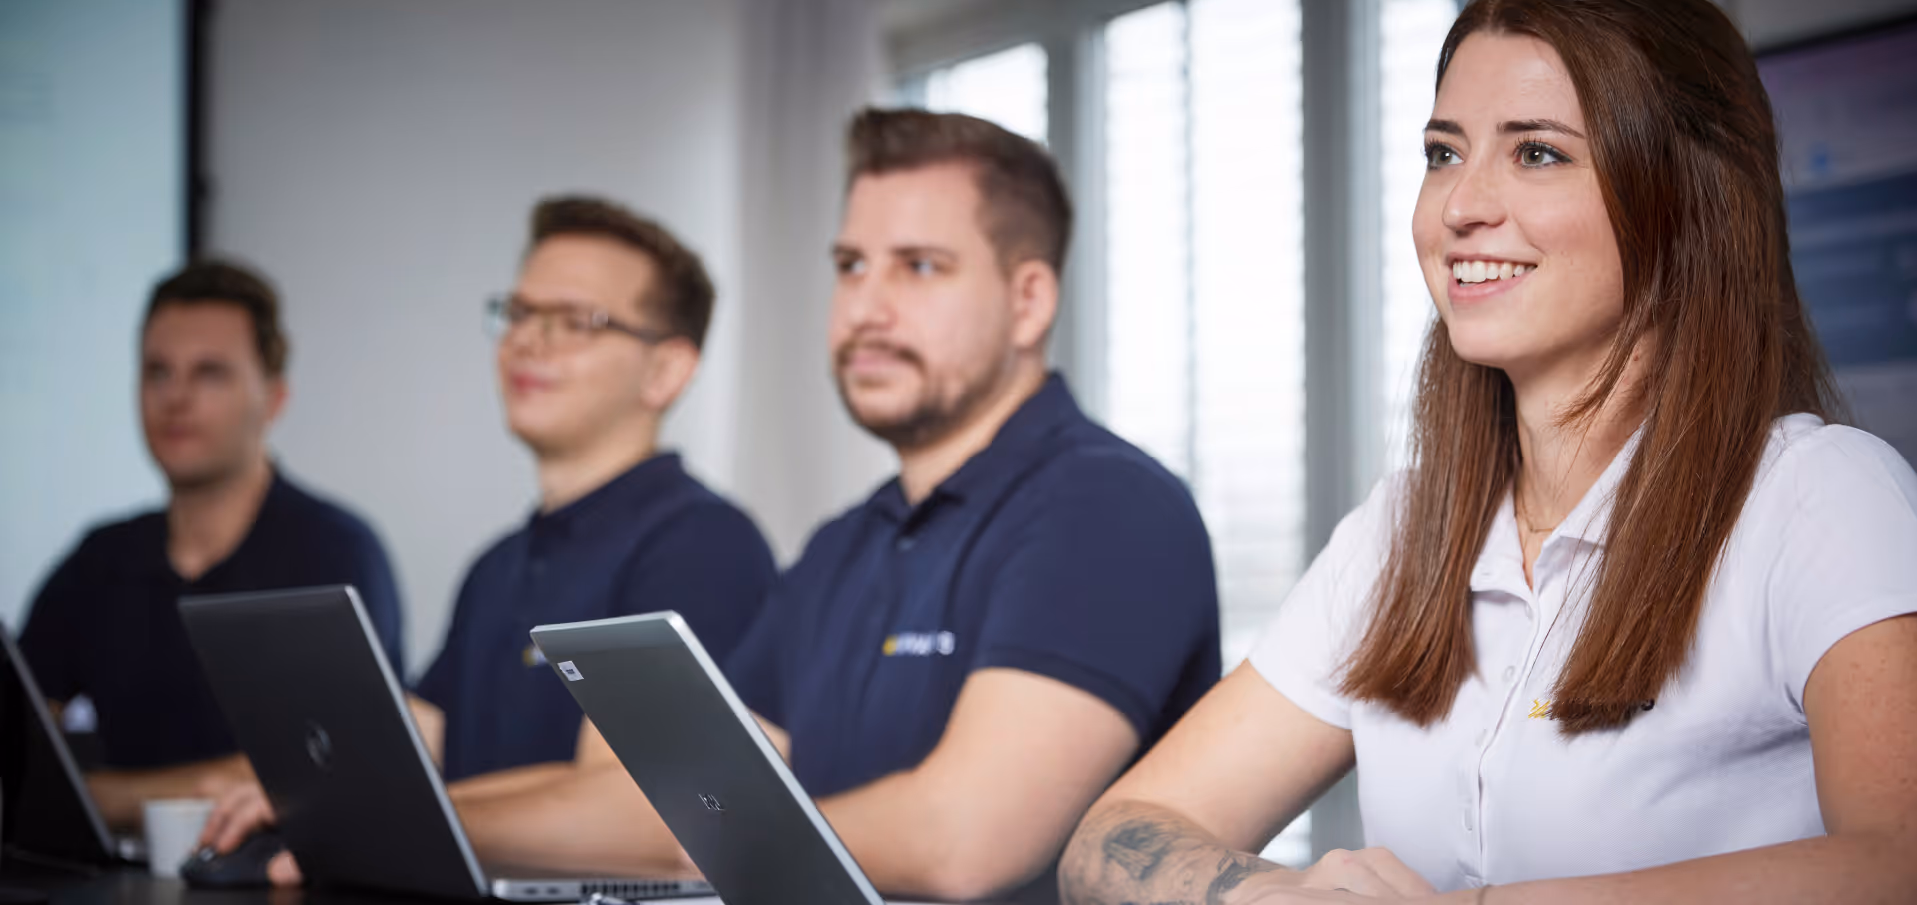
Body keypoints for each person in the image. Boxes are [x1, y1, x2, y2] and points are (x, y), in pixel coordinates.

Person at [1060, 0, 1917, 904]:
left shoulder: (1822, 497)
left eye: (1536, 152)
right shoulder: (1402, 532)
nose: (1460, 206)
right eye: (1443, 152)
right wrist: (1265, 895)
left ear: (1687, 201)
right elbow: (1114, 835)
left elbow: (1898, 862)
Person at [433, 109, 1223, 901]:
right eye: (851, 265)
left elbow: (964, 840)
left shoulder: (1109, 506)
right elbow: (674, 805)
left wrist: (716, 837)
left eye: (918, 267)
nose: (866, 307)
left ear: (1028, 301)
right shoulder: (841, 548)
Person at [199, 197, 780, 874]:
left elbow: (652, 811)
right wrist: (301, 799)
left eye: (575, 321)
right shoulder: (498, 566)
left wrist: (374, 820)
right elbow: (415, 739)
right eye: (521, 312)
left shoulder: (702, 545)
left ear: (667, 371)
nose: (527, 340)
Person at [20, 259, 406, 828]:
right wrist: (197, 787)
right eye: (157, 372)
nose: (175, 398)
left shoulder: (336, 553)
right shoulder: (99, 561)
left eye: (210, 374)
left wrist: (95, 798)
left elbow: (355, 774)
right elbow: (17, 757)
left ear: (273, 398)